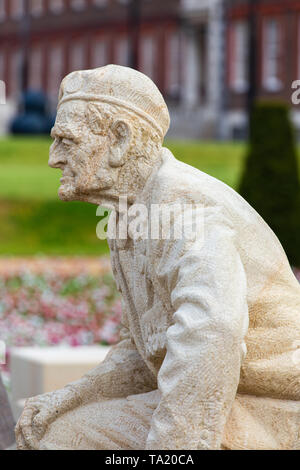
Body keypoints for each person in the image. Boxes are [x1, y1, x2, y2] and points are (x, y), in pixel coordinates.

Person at [16, 65, 300, 450]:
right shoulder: (128, 212)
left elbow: (211, 336)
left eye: (67, 141)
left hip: (268, 409)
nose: (54, 158)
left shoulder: (184, 212)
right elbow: (144, 349)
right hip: (223, 392)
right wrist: (70, 398)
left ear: (119, 140)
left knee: (61, 441)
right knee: (57, 429)